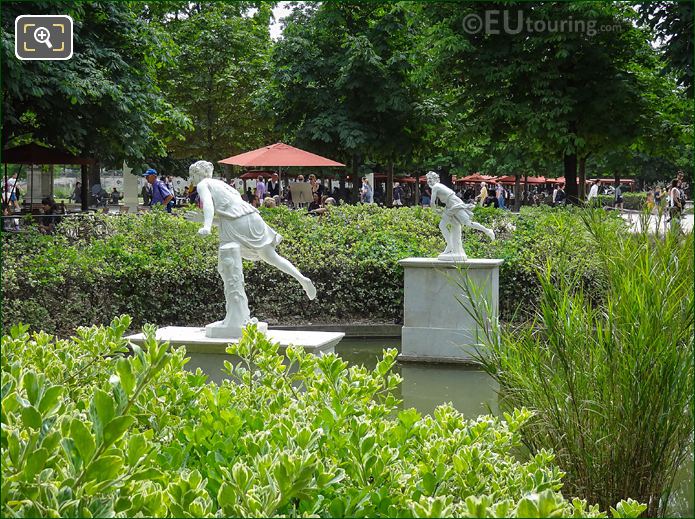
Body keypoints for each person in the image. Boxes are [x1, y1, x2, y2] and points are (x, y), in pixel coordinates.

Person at [189, 160, 316, 299]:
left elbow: (208, 204)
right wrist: (204, 220)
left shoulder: (203, 184)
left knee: (225, 261)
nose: (191, 179)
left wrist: (206, 226)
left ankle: (236, 301)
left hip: (237, 222)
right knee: (272, 257)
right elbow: (228, 218)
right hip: (251, 216)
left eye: (191, 175)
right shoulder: (222, 185)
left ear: (198, 174)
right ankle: (301, 279)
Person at [426, 171, 495, 260]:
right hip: (449, 206)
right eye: (428, 179)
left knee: (467, 223)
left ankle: (488, 231)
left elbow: (432, 202)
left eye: (430, 179)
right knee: (443, 225)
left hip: (454, 203)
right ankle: (450, 246)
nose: (429, 181)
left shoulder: (436, 186)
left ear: (435, 179)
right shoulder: (438, 186)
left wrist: (435, 210)